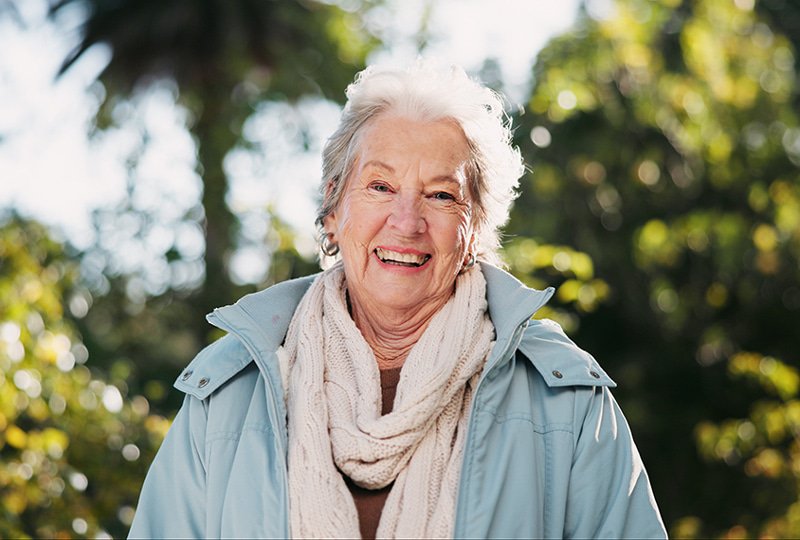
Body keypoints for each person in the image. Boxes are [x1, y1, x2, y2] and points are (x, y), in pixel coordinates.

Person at [128, 62, 667, 539]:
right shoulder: (227, 392)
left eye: (440, 195)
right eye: (380, 187)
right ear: (333, 211)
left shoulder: (566, 400)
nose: (406, 223)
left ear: (476, 229)